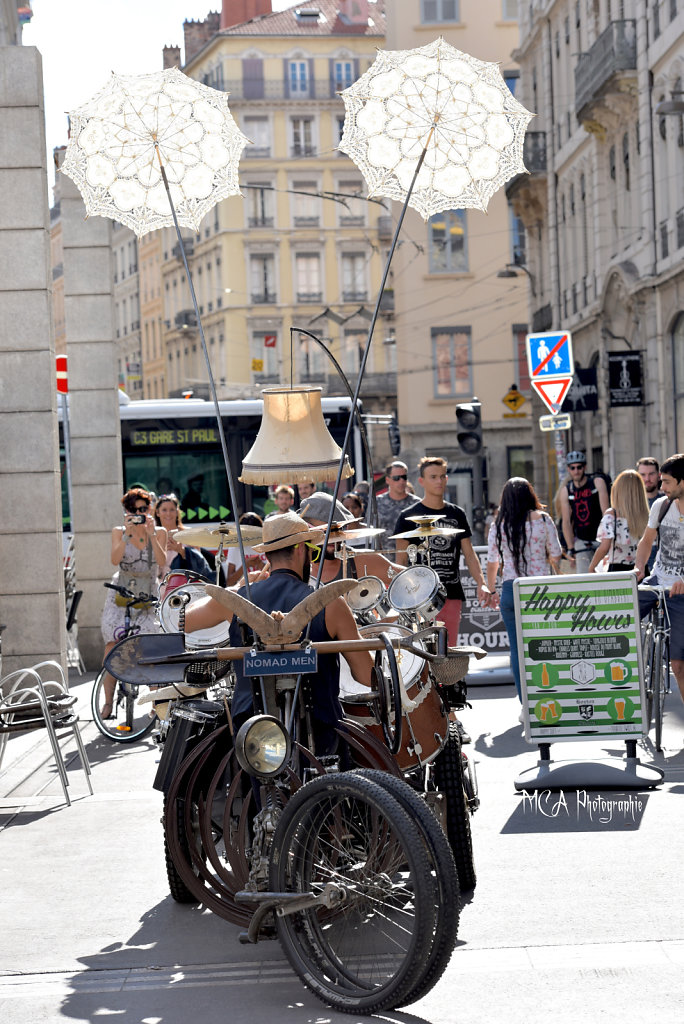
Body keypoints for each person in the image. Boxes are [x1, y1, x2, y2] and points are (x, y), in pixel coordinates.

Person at [185, 511, 374, 755]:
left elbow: (183, 619)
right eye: (312, 552)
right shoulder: (333, 605)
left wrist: (238, 587)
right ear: (299, 550)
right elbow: (367, 676)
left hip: (251, 735)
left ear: (266, 556)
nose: (313, 560)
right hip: (321, 734)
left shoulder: (235, 599)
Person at [394, 456, 493, 645]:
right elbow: (401, 561)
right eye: (433, 477)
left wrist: (481, 583)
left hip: (451, 592)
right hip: (418, 596)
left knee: (448, 651)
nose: (439, 481)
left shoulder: (457, 514)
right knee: (422, 651)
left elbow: (470, 555)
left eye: (442, 476)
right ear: (421, 481)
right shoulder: (407, 516)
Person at [486, 478, 561, 701]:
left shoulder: (498, 525)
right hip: (541, 591)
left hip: (512, 589)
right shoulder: (544, 520)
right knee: (546, 645)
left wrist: (491, 590)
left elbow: (492, 562)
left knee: (518, 650)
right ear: (531, 495)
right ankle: (549, 695)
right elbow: (556, 553)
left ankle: (525, 703)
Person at [99, 487, 167, 718]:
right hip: (122, 593)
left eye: (143, 508)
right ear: (126, 511)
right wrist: (127, 534)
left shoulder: (159, 531)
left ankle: (155, 704)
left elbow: (161, 561)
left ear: (150, 509)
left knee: (149, 647)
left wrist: (153, 535)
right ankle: (108, 702)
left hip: (147, 593)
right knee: (113, 644)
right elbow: (114, 560)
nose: (138, 512)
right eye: (133, 509)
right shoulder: (119, 531)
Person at [636, 453, 684, 707]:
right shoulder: (661, 506)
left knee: (678, 664)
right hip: (657, 580)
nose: (661, 487)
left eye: (667, 482)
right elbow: (646, 541)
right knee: (621, 612)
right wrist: (638, 567)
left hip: (681, 592)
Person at [299, 491, 403, 588]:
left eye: (338, 529)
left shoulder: (361, 561)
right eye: (325, 531)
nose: (333, 537)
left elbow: (411, 579)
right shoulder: (294, 565)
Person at [588, 471, 649, 573]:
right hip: (641, 569)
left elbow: (604, 547)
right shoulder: (646, 515)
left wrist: (592, 567)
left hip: (618, 570)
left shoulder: (612, 515)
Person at [558, 451, 609, 573]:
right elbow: (566, 522)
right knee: (584, 578)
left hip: (601, 540)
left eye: (579, 467)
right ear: (568, 469)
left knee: (604, 576)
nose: (576, 471)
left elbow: (606, 513)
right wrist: (570, 548)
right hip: (581, 541)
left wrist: (608, 540)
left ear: (584, 467)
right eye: (572, 468)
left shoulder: (596, 483)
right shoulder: (567, 490)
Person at [154, 494, 213, 595]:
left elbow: (199, 564)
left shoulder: (189, 533)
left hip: (186, 587)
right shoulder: (152, 535)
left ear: (177, 512)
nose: (168, 513)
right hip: (159, 587)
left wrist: (181, 551)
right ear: (157, 513)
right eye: (164, 510)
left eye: (172, 509)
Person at [376, 460, 417, 557]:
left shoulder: (416, 504)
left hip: (411, 561)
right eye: (396, 478)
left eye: (404, 477)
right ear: (387, 480)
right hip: (384, 561)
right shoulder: (377, 503)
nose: (401, 481)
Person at [224, 512, 267, 586]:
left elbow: (274, 578)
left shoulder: (267, 545)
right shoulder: (235, 547)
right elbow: (229, 582)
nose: (250, 538)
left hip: (264, 588)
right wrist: (245, 565)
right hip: (242, 590)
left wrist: (261, 565)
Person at [637, 457, 664, 571]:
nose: (647, 479)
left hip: (662, 564)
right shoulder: (632, 503)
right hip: (638, 564)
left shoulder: (667, 501)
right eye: (642, 475)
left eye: (651, 474)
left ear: (659, 475)